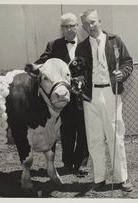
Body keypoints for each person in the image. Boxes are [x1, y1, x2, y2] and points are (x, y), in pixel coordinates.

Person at [75, 9, 133, 192]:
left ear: (99, 21)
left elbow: (128, 63)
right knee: (94, 138)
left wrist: (121, 74)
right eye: (86, 24)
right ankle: (99, 178)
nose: (90, 26)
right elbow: (78, 71)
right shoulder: (82, 47)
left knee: (115, 135)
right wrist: (79, 80)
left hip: (111, 93)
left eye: (92, 22)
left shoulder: (115, 41)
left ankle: (122, 178)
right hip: (90, 96)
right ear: (83, 26)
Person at [35, 12, 89, 177]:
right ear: (62, 29)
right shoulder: (54, 45)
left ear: (77, 26)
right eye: (67, 26)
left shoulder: (86, 45)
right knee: (67, 129)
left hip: (83, 96)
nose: (71, 29)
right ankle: (67, 163)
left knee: (84, 129)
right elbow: (40, 64)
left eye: (73, 25)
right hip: (61, 96)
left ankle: (81, 164)